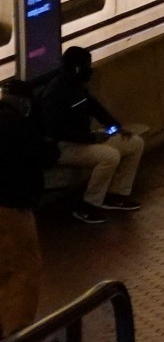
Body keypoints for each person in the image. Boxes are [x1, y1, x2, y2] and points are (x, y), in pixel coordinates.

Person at [37, 47, 143, 225]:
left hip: (84, 140)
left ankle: (115, 194)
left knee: (134, 143)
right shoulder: (54, 93)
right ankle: (88, 205)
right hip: (63, 147)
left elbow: (94, 108)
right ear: (77, 68)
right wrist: (92, 139)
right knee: (109, 156)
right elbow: (54, 130)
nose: (90, 70)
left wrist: (115, 127)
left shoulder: (76, 87)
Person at [0, 80, 45, 335]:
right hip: (12, 207)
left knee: (3, 267)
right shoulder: (16, 124)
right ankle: (19, 332)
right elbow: (46, 154)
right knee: (24, 267)